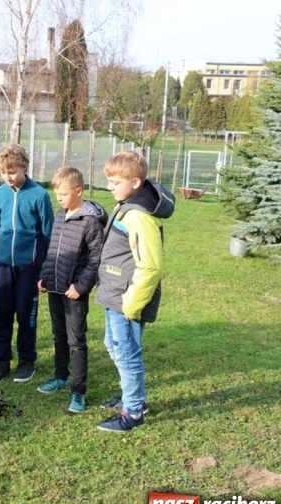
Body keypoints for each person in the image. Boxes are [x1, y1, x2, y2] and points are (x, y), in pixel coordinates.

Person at [95, 150, 174, 432]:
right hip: (114, 294)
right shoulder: (126, 204)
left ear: (136, 183)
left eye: (115, 182)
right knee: (112, 346)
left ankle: (134, 411)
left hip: (126, 301)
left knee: (127, 354)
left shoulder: (139, 217)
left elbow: (150, 267)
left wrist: (131, 304)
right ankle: (130, 397)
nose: (110, 187)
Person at [36, 167, 106, 413]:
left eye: (64, 194)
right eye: (57, 194)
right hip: (54, 288)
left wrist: (81, 286)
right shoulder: (59, 215)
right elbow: (53, 251)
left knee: (76, 341)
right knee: (59, 335)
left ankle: (78, 391)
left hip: (74, 292)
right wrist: (44, 277)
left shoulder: (90, 222)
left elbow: (96, 259)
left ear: (78, 191)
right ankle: (60, 376)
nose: (60, 198)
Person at [0, 143, 54, 385]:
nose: (8, 177)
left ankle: (27, 360)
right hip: (4, 264)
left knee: (26, 314)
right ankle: (2, 359)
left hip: (30, 266)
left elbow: (47, 232)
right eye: (4, 173)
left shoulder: (39, 195)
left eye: (12, 171)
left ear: (24, 167)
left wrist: (45, 268)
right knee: (1, 314)